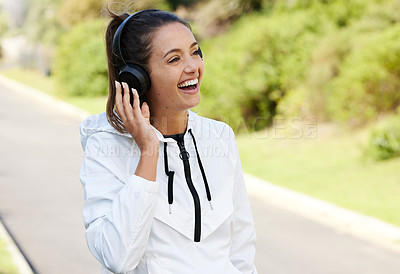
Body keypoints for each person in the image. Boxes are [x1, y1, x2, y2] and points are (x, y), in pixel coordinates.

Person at [79, 9, 257, 274]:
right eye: (174, 59)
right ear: (136, 78)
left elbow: (241, 246)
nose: (193, 67)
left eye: (195, 52)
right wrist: (148, 152)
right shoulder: (106, 147)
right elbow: (117, 257)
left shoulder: (220, 137)